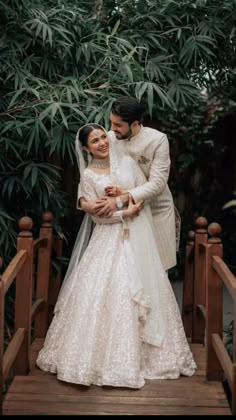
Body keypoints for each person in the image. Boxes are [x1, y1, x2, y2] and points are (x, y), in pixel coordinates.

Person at [36, 123, 196, 388]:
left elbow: (142, 195)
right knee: (100, 293)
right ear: (86, 148)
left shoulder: (126, 162)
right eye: (95, 140)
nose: (103, 141)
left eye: (103, 136)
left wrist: (122, 198)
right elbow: (97, 217)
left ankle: (150, 356)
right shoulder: (88, 175)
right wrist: (123, 213)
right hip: (107, 239)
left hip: (138, 238)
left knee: (144, 289)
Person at [79, 96, 180, 272]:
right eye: (111, 123)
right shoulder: (109, 138)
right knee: (127, 270)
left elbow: (157, 184)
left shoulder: (157, 141)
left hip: (155, 208)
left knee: (156, 271)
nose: (112, 129)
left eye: (118, 125)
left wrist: (119, 201)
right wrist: (83, 202)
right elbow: (93, 170)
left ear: (134, 124)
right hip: (123, 215)